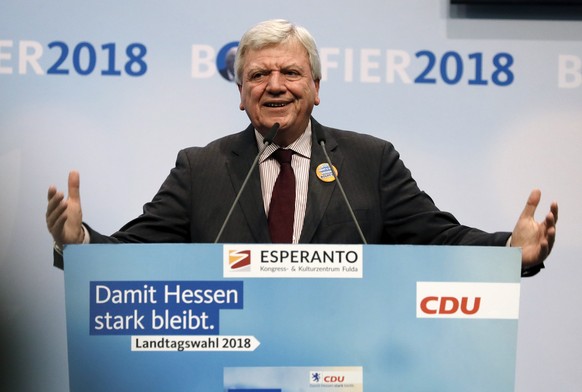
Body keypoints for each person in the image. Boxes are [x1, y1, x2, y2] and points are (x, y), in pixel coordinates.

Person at [46, 19, 558, 276]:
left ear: (316, 88)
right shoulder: (200, 167)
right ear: (241, 95)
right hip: (226, 360)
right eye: (257, 76)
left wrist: (510, 253)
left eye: (290, 72)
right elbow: (137, 256)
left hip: (345, 365)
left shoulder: (369, 160)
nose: (274, 85)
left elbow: (437, 239)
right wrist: (80, 244)